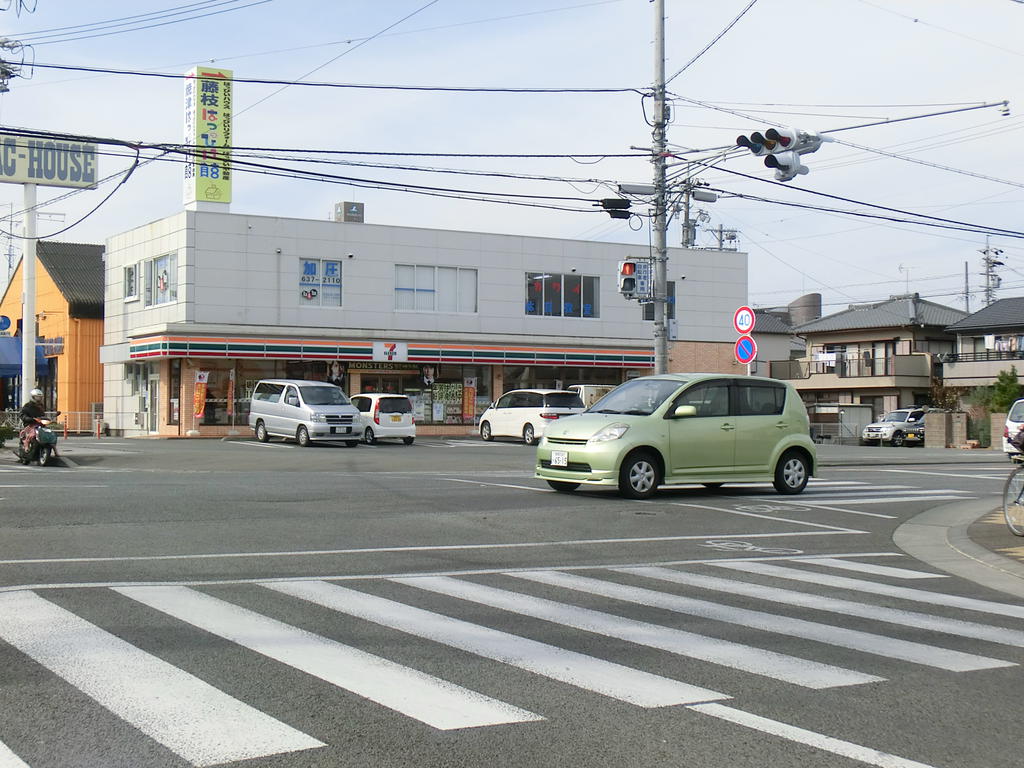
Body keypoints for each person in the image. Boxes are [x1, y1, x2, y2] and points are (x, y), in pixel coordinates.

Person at [19, 388, 46, 452]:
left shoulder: (41, 406)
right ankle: (26, 445)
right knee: (32, 434)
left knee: (48, 433)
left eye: (40, 397)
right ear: (32, 397)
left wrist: (47, 419)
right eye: (37, 397)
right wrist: (28, 418)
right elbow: (22, 415)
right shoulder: (27, 406)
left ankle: (54, 449)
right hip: (30, 424)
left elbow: (42, 415)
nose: (39, 399)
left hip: (39, 424)